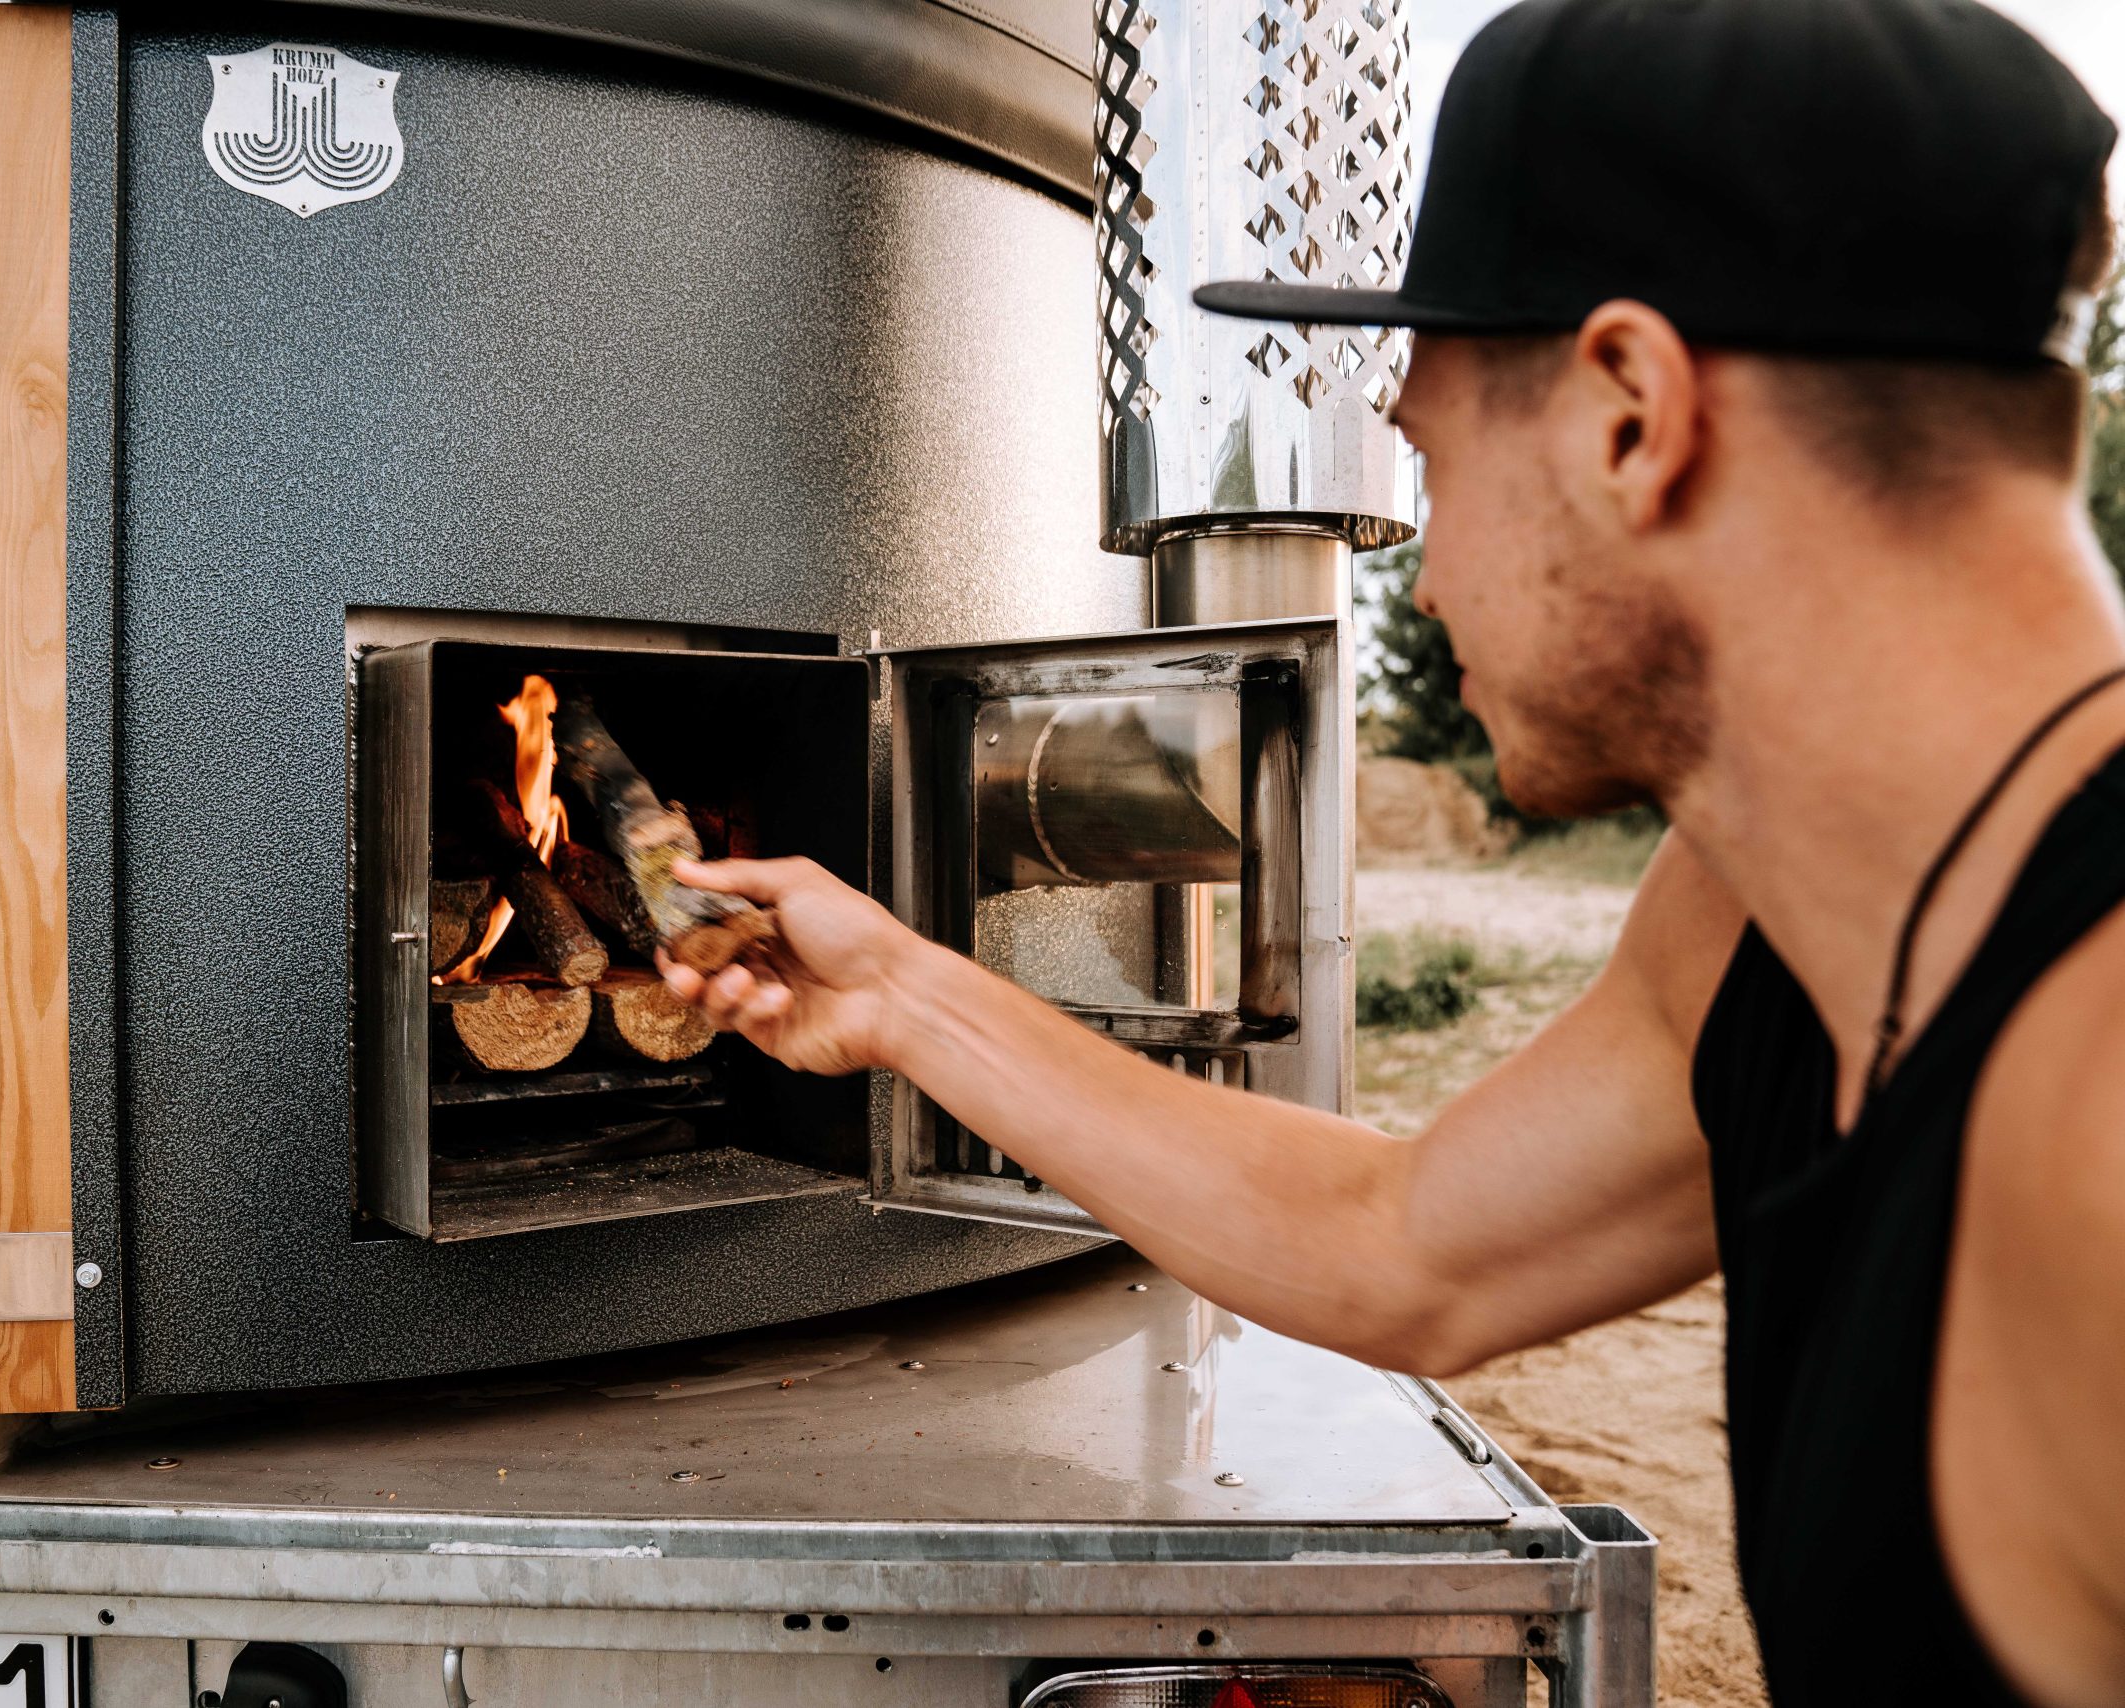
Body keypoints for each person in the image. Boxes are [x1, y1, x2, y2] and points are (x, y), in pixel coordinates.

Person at [657, 0, 2124, 1702]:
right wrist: (908, 998)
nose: (1424, 584)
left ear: (1630, 413)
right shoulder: (1769, 918)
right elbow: (1403, 1242)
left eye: (1429, 456)